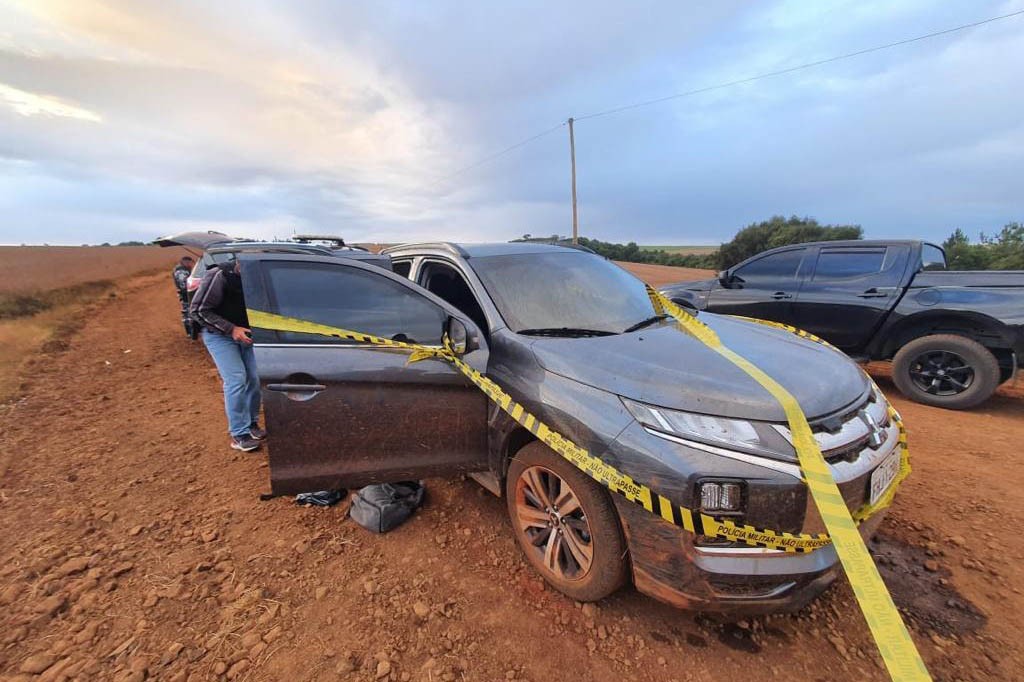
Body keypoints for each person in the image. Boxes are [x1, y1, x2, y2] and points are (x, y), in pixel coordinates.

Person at [190, 257, 266, 452]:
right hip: (219, 336)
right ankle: (239, 433)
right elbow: (198, 311)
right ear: (240, 263)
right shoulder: (219, 276)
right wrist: (231, 329)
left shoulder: (261, 278)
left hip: (247, 334)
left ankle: (251, 424)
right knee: (237, 379)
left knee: (254, 379)